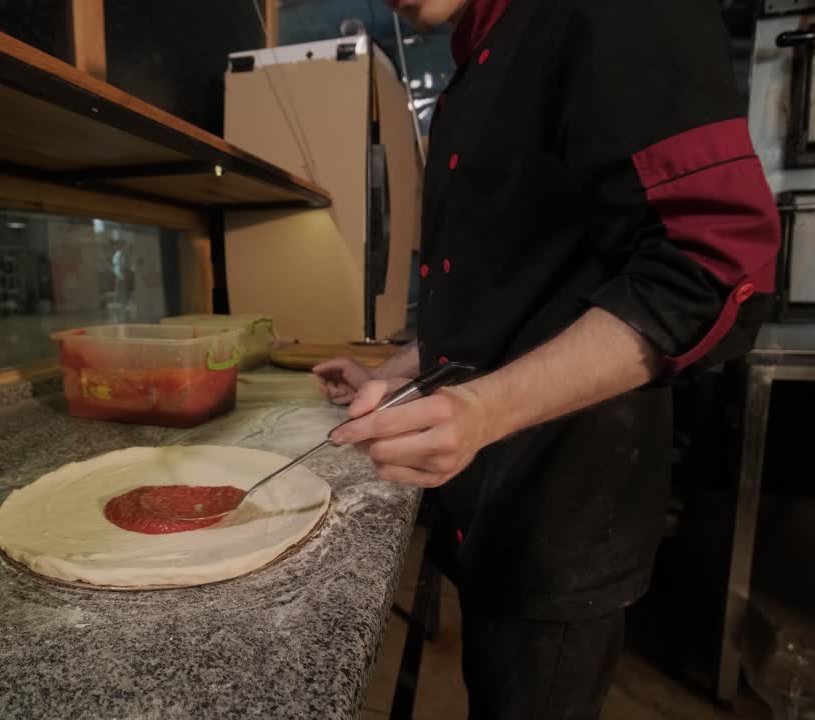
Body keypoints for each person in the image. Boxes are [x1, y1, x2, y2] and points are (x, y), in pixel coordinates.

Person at [313, 0, 782, 717]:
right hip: (491, 497)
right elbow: (509, 284)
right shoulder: (479, 55)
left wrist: (480, 410)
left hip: (563, 497)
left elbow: (710, 270)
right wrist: (399, 370)